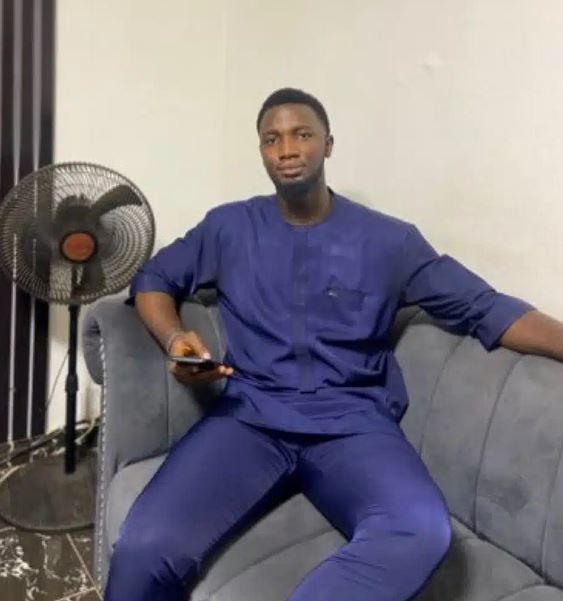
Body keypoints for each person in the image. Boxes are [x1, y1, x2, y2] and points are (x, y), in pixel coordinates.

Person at [104, 88, 563, 601]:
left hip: (352, 426)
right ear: (261, 152)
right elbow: (155, 279)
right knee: (143, 548)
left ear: (328, 144)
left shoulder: (390, 240)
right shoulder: (229, 227)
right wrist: (175, 340)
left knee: (418, 529)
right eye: (272, 139)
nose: (287, 150)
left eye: (302, 134)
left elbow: (485, 308)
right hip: (250, 418)